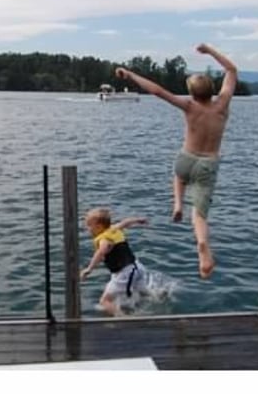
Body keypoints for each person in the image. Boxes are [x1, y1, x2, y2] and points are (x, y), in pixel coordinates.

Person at [115, 43, 237, 279]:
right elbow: (231, 70)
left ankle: (178, 203)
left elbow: (157, 91)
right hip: (207, 163)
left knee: (179, 175)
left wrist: (129, 74)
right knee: (199, 215)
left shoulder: (188, 106)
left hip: (186, 158)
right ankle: (202, 245)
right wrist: (210, 51)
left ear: (192, 93)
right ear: (212, 90)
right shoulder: (222, 104)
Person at [80, 207, 149, 316]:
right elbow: (125, 222)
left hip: (125, 273)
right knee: (143, 293)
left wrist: (89, 269)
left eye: (89, 225)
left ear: (98, 227)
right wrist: (138, 220)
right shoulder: (113, 229)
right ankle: (158, 296)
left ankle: (123, 319)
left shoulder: (104, 239)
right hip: (137, 267)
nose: (87, 228)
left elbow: (101, 251)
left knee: (104, 301)